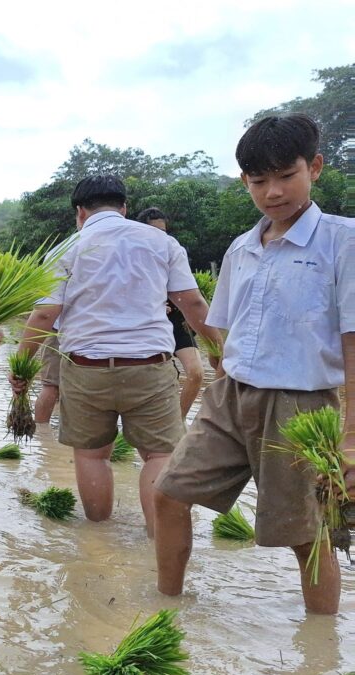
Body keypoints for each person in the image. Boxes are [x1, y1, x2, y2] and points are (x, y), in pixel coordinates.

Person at [154, 114, 355, 615]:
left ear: (315, 167)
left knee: (306, 534)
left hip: (303, 406)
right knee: (169, 493)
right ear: (244, 180)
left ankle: (321, 650)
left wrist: (351, 433)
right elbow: (226, 329)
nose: (273, 192)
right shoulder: (242, 248)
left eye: (286, 176)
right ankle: (166, 609)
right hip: (231, 393)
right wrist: (214, 385)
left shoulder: (343, 241)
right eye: (258, 180)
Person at [12, 175, 221, 537]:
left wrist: (22, 365)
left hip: (85, 369)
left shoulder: (66, 249)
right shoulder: (162, 242)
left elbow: (44, 315)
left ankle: (98, 539)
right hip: (149, 368)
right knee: (159, 456)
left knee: (93, 455)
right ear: (124, 207)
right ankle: (159, 544)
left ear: (80, 212)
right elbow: (193, 303)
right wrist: (218, 353)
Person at [137, 207, 205, 419]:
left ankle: (179, 421)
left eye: (163, 231)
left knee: (196, 373)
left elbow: (189, 294)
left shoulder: (172, 250)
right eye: (154, 231)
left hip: (176, 319)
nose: (160, 236)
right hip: (148, 324)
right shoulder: (131, 255)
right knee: (157, 379)